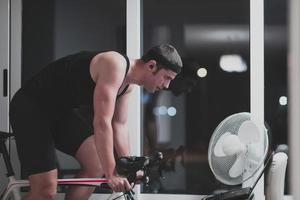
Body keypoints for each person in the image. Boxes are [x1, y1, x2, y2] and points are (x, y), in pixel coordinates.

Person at [9, 44, 183, 200]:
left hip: (60, 113)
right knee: (46, 190)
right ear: (151, 66)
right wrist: (111, 173)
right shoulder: (114, 64)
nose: (167, 86)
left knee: (96, 164)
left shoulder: (128, 86)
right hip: (32, 108)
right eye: (167, 78)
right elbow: (102, 123)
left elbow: (119, 126)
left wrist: (129, 167)